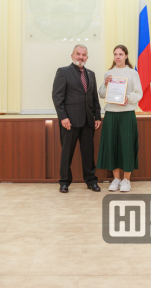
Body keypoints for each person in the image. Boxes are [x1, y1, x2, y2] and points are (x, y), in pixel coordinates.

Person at [52, 45, 102, 193]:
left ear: (87, 57)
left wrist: (97, 116)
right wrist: (63, 117)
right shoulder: (63, 72)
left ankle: (91, 181)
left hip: (88, 121)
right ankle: (64, 182)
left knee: (88, 153)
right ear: (72, 55)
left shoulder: (91, 74)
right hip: (69, 122)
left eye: (84, 55)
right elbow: (57, 97)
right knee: (67, 153)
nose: (81, 57)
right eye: (78, 54)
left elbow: (94, 97)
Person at [96, 45, 143, 193]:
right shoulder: (108, 73)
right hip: (111, 114)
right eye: (115, 54)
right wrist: (105, 84)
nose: (117, 57)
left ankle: (126, 180)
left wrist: (128, 97)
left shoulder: (133, 73)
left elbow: (139, 93)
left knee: (127, 146)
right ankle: (116, 179)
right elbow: (102, 94)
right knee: (111, 146)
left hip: (127, 114)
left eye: (121, 54)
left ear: (126, 56)